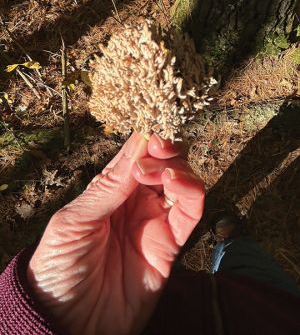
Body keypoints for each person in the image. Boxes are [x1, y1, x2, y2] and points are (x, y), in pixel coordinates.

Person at [0, 132, 299, 335]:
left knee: (241, 260)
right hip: (274, 315)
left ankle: (229, 243)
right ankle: (230, 242)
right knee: (249, 261)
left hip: (190, 297)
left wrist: (35, 315)